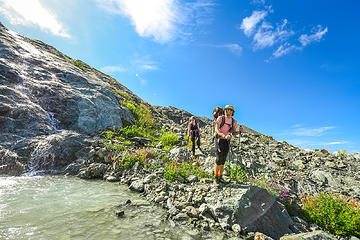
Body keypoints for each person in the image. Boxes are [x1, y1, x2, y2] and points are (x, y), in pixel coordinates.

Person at [214, 105, 243, 184]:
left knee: (223, 160)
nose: (227, 110)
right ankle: (216, 178)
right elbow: (216, 129)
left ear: (232, 112)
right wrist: (223, 135)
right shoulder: (220, 118)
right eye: (226, 109)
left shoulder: (234, 121)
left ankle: (220, 177)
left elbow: (233, 132)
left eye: (229, 109)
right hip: (219, 139)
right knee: (218, 159)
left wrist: (239, 132)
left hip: (227, 141)